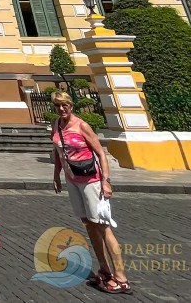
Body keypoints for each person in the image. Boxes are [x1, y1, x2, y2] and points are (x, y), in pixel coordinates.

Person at [51, 91, 132, 295]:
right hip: (73, 181)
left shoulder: (82, 126)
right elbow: (58, 152)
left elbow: (100, 154)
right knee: (88, 225)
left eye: (64, 106)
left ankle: (121, 278)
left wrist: (106, 182)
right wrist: (56, 175)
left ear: (71, 106)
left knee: (103, 226)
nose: (61, 109)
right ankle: (104, 269)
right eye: (58, 106)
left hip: (91, 181)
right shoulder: (56, 125)